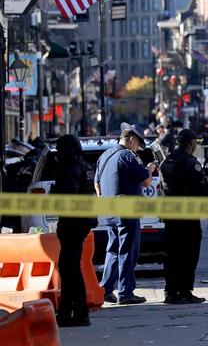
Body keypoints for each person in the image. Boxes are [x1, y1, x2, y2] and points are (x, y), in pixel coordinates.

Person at [95, 123, 155, 305]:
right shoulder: (128, 156)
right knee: (128, 251)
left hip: (109, 210)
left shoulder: (105, 155)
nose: (138, 147)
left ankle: (105, 290)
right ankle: (125, 292)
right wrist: (150, 170)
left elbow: (96, 184)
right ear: (130, 139)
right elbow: (145, 182)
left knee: (112, 250)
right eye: (138, 143)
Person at [52, 135, 97, 327]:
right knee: (69, 268)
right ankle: (68, 312)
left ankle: (78, 312)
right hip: (80, 222)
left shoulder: (71, 168)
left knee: (69, 268)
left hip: (73, 223)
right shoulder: (85, 167)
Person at [160, 129, 208, 304]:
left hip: (170, 215)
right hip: (187, 216)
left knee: (171, 254)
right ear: (190, 142)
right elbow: (201, 191)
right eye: (195, 141)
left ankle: (171, 291)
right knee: (189, 254)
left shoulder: (168, 160)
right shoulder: (190, 163)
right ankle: (185, 291)